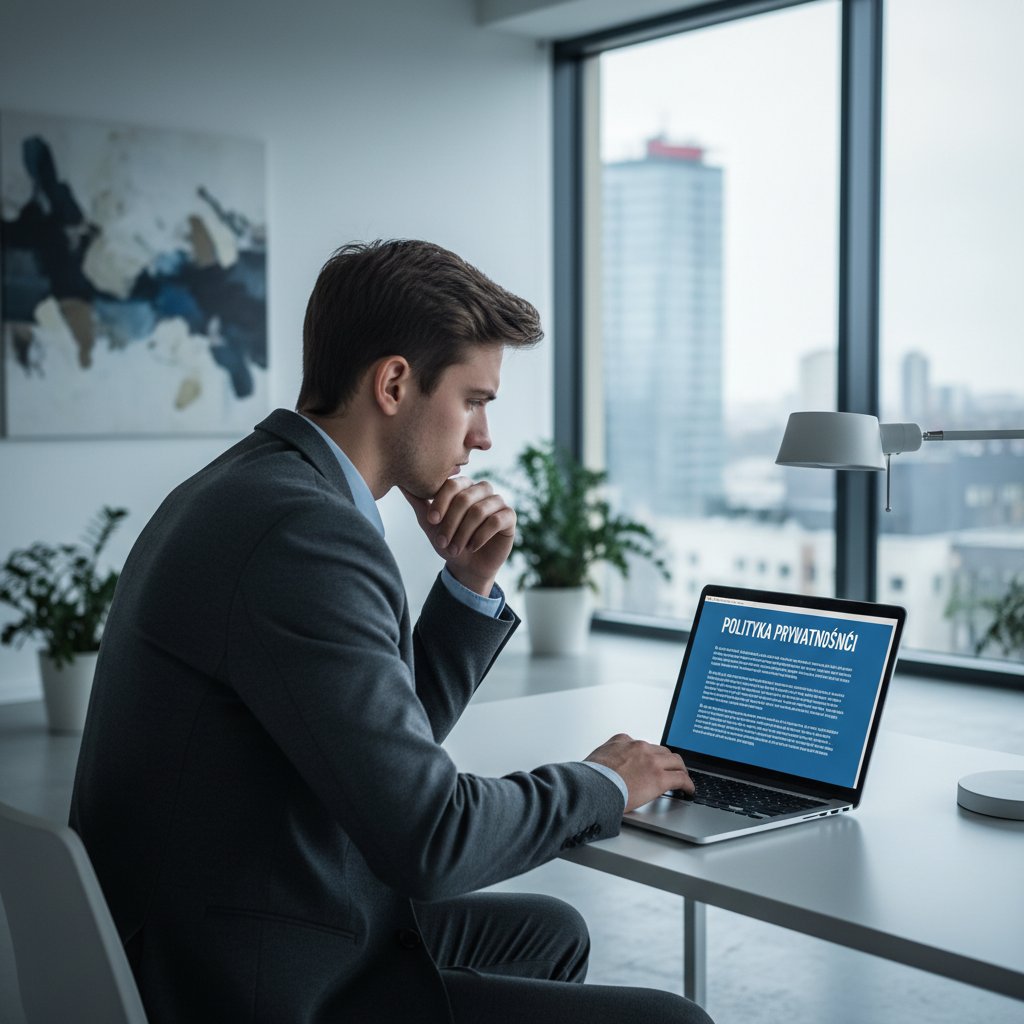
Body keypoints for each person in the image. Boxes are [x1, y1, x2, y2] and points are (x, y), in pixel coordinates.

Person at [70, 239, 712, 1024]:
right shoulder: (306, 533)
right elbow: (431, 839)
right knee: (676, 1023)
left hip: (221, 916)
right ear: (396, 383)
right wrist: (605, 782)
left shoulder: (250, 484)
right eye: (474, 401)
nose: (482, 438)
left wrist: (470, 582)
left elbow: (377, 746)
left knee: (551, 933)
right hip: (243, 979)